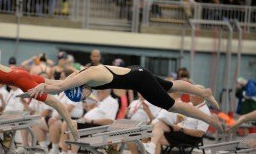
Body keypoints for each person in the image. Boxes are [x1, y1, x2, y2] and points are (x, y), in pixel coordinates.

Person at [28, 65, 223, 131]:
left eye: (83, 95)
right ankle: (203, 92)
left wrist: (44, 88)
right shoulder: (79, 75)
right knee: (170, 85)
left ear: (81, 87)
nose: (87, 96)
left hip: (140, 82)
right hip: (138, 72)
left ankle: (208, 118)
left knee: (173, 106)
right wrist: (38, 83)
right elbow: (56, 82)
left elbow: (59, 87)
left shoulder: (85, 77)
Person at [0, 60, 79, 140]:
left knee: (53, 101)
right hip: (19, 74)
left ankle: (70, 123)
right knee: (55, 83)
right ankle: (77, 77)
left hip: (19, 80)